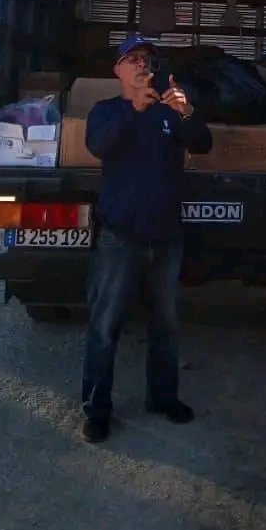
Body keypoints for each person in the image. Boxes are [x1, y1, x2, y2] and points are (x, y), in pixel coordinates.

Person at [81, 33, 212, 443]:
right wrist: (133, 111)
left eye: (148, 59)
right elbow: (98, 145)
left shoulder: (170, 113)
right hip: (120, 236)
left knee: (166, 325)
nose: (142, 65)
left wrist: (188, 113)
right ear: (117, 69)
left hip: (166, 237)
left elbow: (204, 143)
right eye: (133, 59)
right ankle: (96, 411)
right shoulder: (105, 111)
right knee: (105, 326)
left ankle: (163, 398)